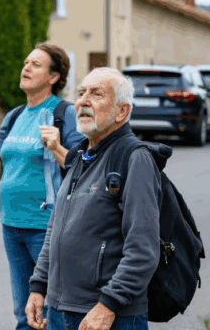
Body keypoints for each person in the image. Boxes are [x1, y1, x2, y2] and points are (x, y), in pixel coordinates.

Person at [25, 67, 162, 330]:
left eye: (96, 94)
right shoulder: (80, 155)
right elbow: (55, 229)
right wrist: (39, 286)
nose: (83, 101)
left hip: (107, 315)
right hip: (59, 310)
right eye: (80, 93)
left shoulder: (135, 159)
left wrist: (108, 305)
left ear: (122, 111)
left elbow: (143, 250)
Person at [0, 43, 85, 330]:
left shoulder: (65, 114)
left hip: (46, 225)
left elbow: (82, 167)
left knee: (52, 310)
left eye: (36, 65)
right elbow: (3, 172)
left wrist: (57, 146)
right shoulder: (14, 116)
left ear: (53, 77)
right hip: (11, 223)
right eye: (26, 62)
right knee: (23, 311)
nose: (26, 67)